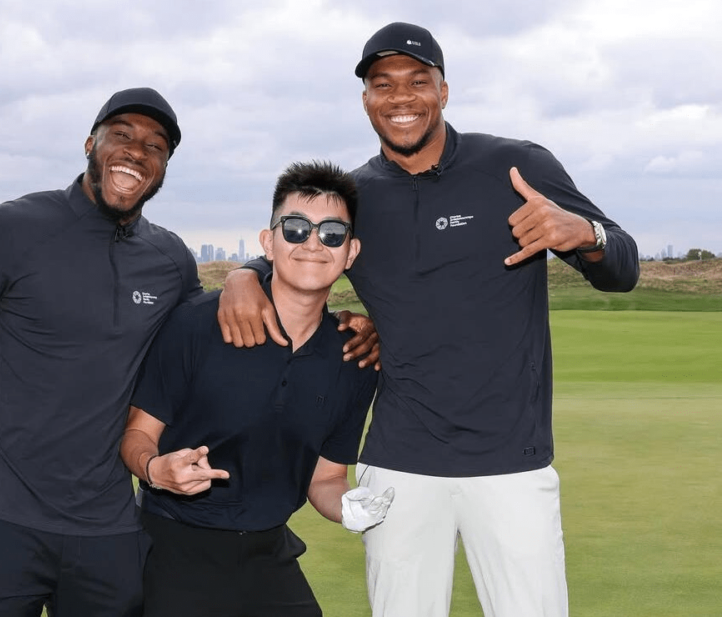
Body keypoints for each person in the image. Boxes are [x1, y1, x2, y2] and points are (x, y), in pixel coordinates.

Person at [218, 22, 640, 617]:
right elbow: (295, 253)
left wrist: (586, 233)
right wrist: (241, 276)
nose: (401, 97)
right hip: (399, 464)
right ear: (366, 99)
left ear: (444, 90)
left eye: (418, 81)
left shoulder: (516, 166)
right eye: (382, 84)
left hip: (511, 462)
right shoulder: (356, 195)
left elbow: (622, 267)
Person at [0, 87, 201, 617]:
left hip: (108, 528)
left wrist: (249, 278)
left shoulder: (171, 260)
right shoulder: (8, 229)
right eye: (121, 134)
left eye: (155, 146)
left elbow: (200, 349)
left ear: (164, 168)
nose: (136, 150)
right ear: (90, 144)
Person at [121, 160, 394, 617]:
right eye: (295, 229)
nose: (313, 243)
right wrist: (154, 469)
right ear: (269, 242)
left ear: (351, 252)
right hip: (170, 547)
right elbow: (136, 434)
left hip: (269, 553)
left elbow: (325, 478)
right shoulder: (195, 325)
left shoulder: (355, 359)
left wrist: (348, 506)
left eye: (332, 233)